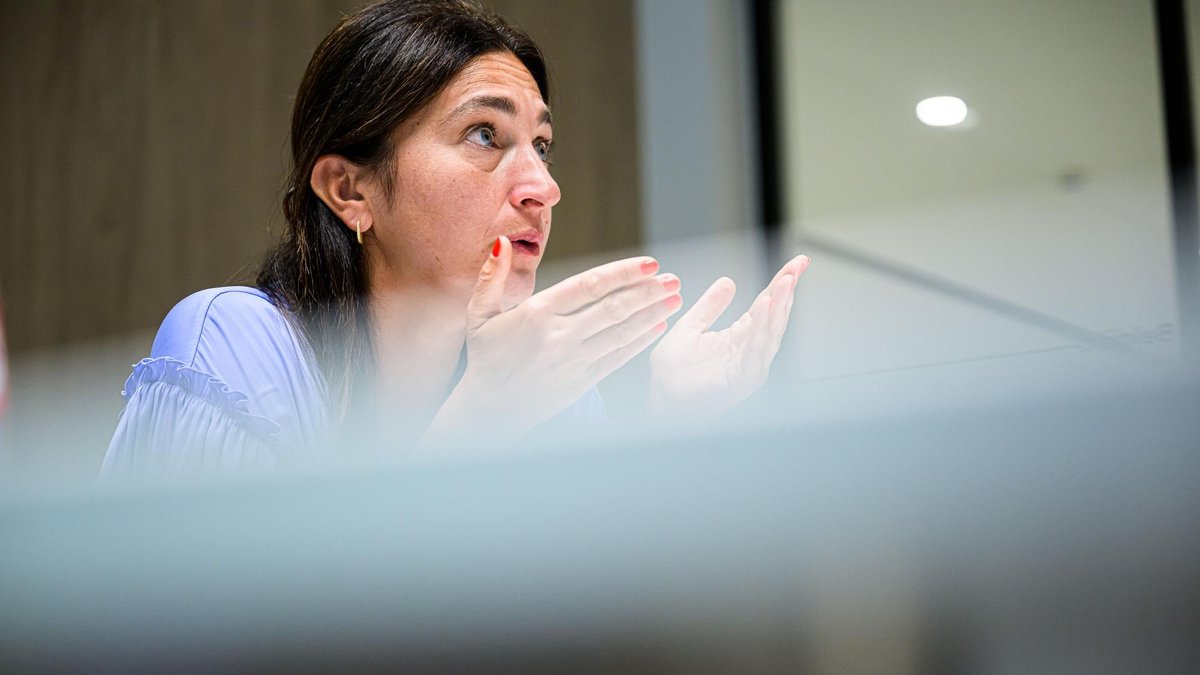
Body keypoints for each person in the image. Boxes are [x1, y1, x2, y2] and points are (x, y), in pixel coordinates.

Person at [101, 0, 809, 474]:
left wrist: (671, 424)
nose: (543, 187)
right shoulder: (233, 343)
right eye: (484, 135)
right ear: (350, 190)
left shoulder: (550, 388)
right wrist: (484, 414)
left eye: (541, 145)